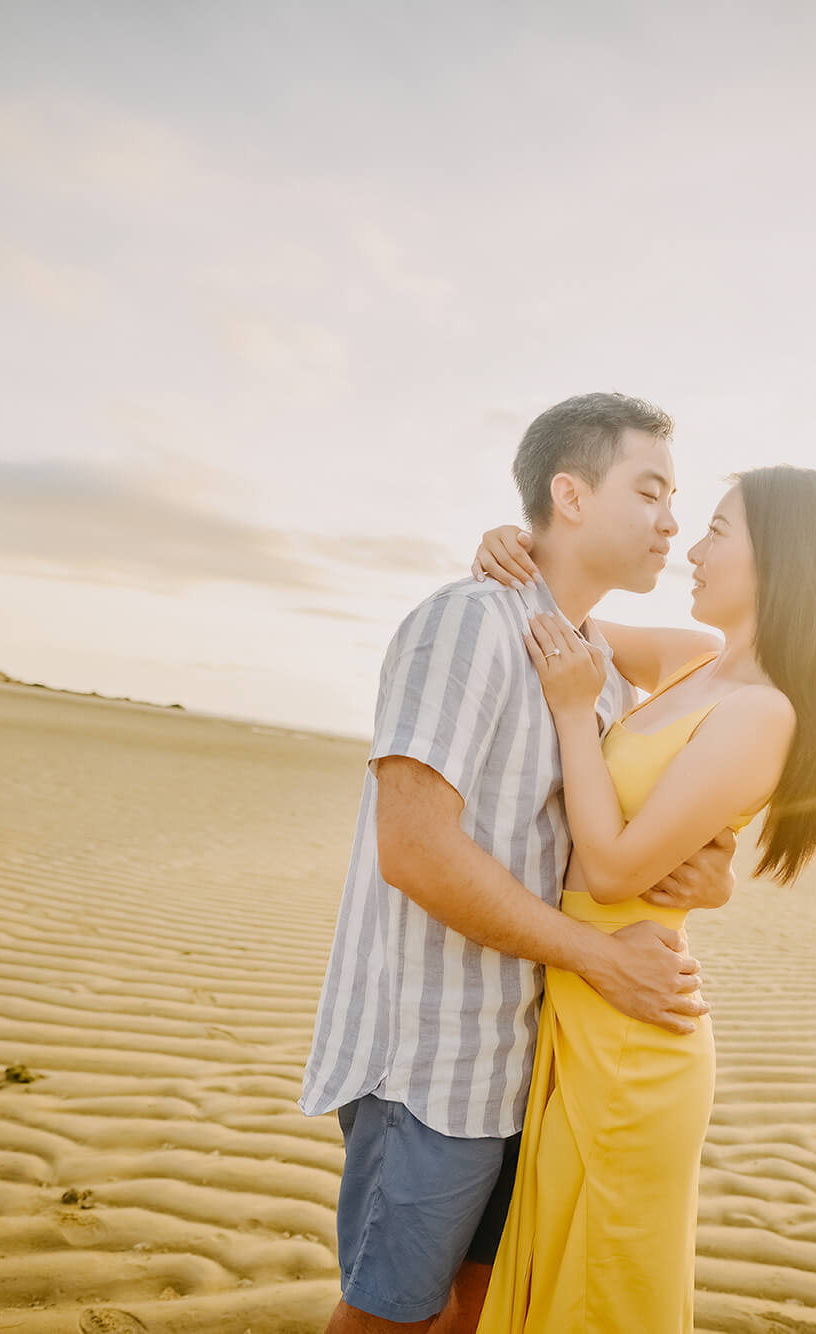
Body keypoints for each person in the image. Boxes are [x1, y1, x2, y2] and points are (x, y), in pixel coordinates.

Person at [301, 392, 750, 1334]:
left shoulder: (592, 662)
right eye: (652, 491)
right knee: (385, 1320)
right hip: (429, 1065)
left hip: (529, 1064)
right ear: (572, 496)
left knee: (475, 1316)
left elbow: (706, 686)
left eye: (684, 502)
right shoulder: (468, 622)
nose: (673, 522)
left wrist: (713, 869)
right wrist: (597, 957)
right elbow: (414, 850)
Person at [467, 465, 816, 1332]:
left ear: (783, 560)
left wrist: (578, 715)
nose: (690, 548)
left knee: (597, 1299)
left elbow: (614, 870)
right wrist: (510, 550)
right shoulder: (698, 661)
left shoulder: (764, 712)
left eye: (718, 533)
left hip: (630, 1035)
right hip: (582, 998)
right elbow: (560, 624)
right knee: (551, 1284)